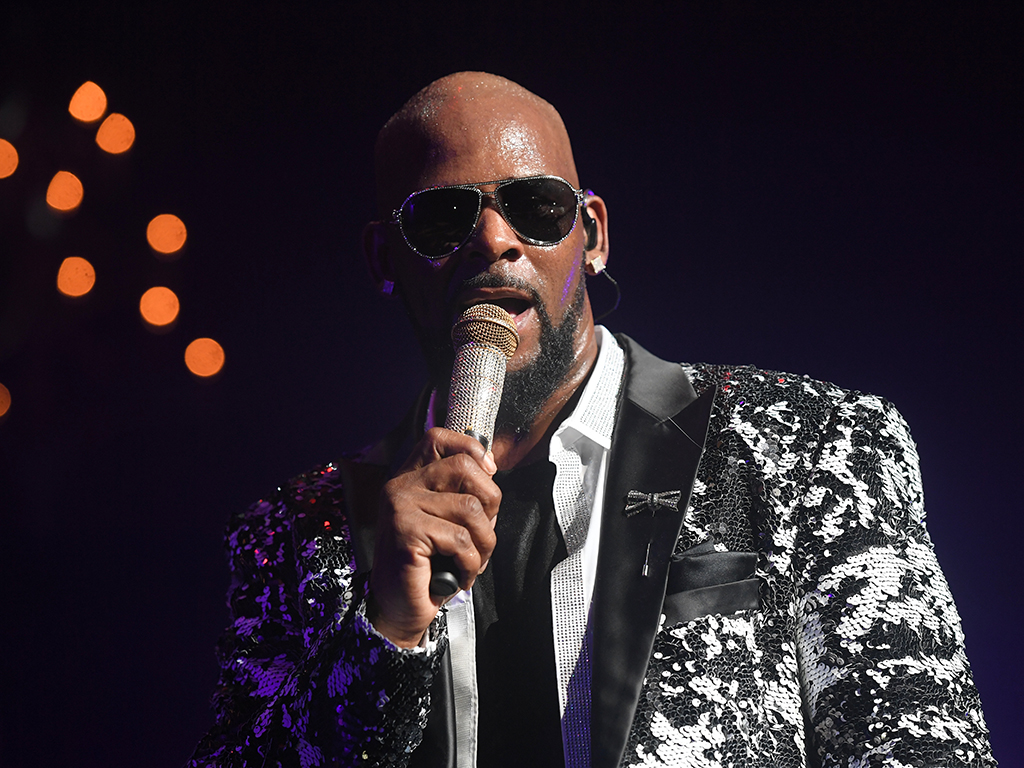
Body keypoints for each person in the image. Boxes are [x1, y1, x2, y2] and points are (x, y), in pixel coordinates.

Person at [189, 72, 995, 768]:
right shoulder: (295, 532)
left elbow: (920, 745)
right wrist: (383, 633)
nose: (494, 240)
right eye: (441, 218)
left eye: (535, 206)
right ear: (382, 259)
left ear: (594, 235)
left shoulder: (810, 444)